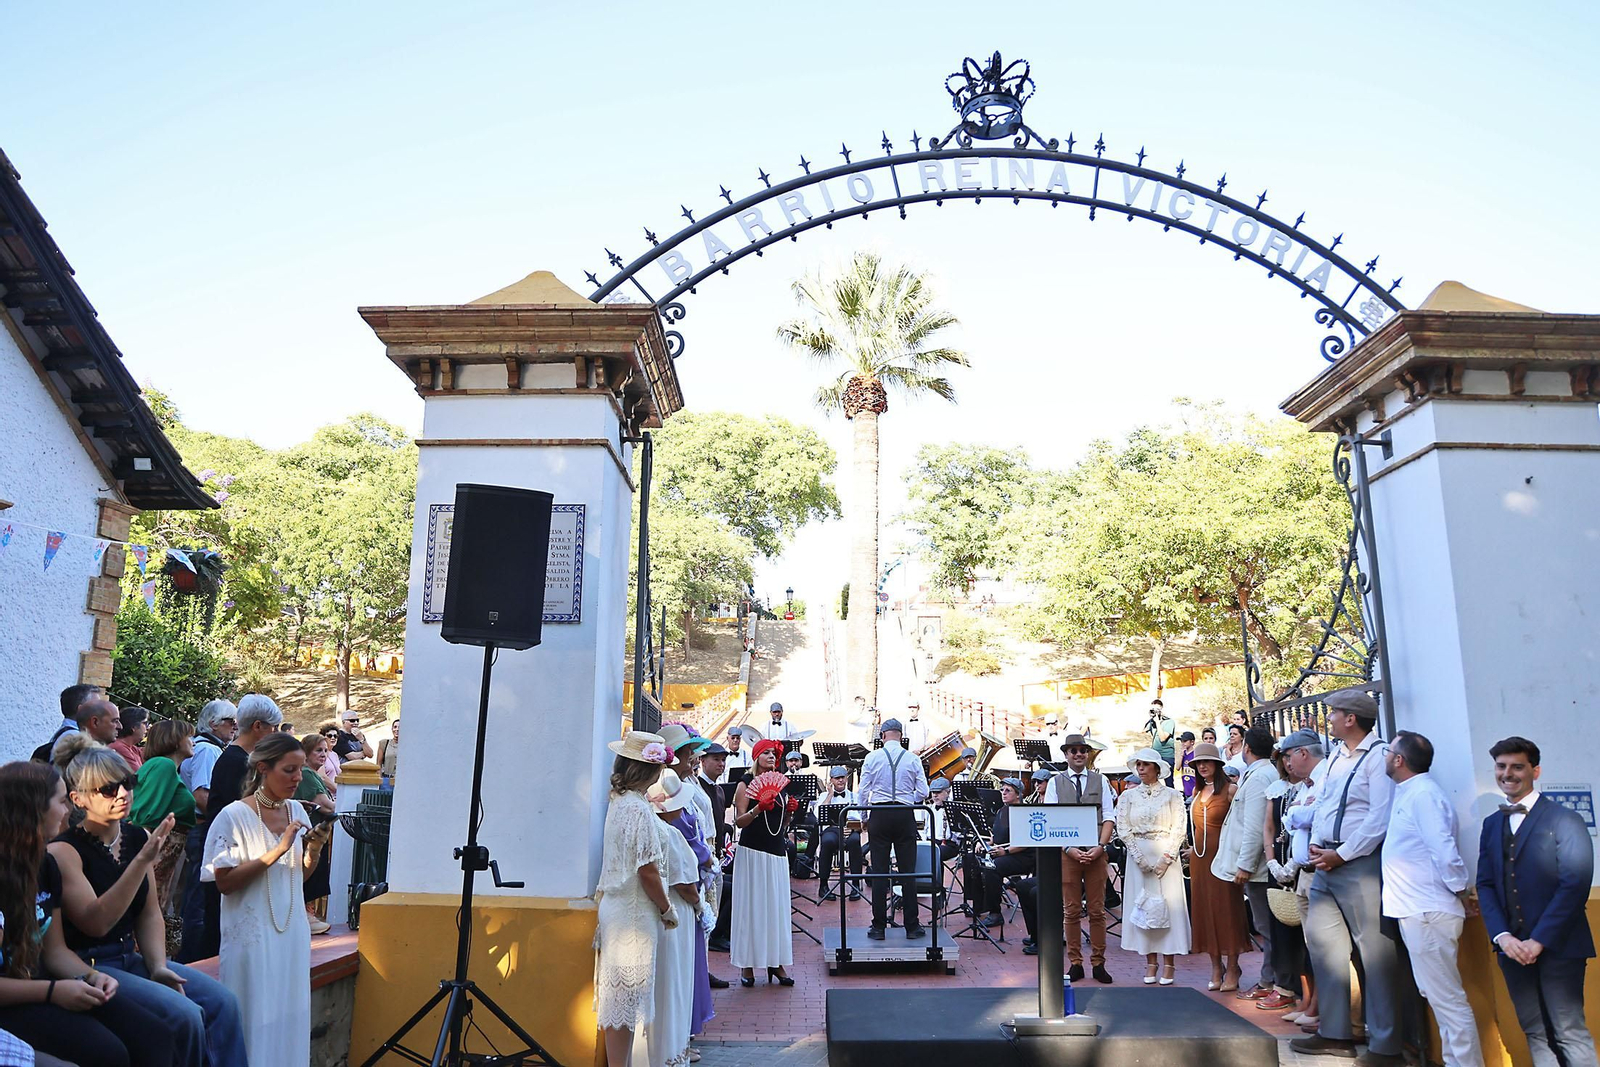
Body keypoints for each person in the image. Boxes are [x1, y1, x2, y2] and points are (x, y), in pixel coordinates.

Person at [49, 735, 247, 1067]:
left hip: (132, 957)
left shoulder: (136, 836)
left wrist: (157, 966)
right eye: (109, 790)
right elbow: (95, 922)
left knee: (224, 1002)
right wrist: (141, 862)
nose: (123, 794)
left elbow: (149, 912)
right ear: (78, 799)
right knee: (185, 1016)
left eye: (127, 783)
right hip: (91, 963)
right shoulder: (63, 851)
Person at [0, 759, 178, 1067]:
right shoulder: (44, 859)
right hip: (15, 1000)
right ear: (32, 809)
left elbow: (55, 952)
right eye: (60, 801)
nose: (68, 810)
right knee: (108, 1053)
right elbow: (97, 922)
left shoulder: (43, 865)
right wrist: (54, 991)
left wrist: (92, 976)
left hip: (48, 985)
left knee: (155, 1036)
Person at [1291, 688, 1400, 1063]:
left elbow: (1379, 816)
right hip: (1326, 862)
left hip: (1359, 864)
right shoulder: (1337, 756)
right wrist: (1318, 846)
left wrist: (1343, 853)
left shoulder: (1379, 756)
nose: (1330, 718)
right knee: (1325, 949)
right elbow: (1324, 804)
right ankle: (1335, 1032)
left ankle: (1387, 1045)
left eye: (1335, 712)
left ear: (1351, 718)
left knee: (1376, 954)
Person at [1476, 735, 1595, 1067]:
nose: (1507, 773)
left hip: (1560, 946)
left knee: (1569, 1031)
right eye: (1501, 766)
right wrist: (1503, 936)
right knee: (1535, 1031)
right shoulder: (1492, 824)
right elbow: (1485, 884)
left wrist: (1538, 941)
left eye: (1517, 766)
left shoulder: (1565, 819)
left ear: (1535, 771)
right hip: (1511, 948)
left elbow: (1575, 885)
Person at [202, 731, 315, 1067]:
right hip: (251, 934)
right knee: (253, 1017)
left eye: (301, 770)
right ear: (264, 769)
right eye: (290, 770)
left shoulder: (296, 810)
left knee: (289, 1015)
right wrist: (276, 850)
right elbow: (224, 883)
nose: (298, 778)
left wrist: (316, 849)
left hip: (291, 929)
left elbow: (297, 875)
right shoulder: (233, 816)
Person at [1381, 731, 1482, 1067]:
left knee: (1448, 1001)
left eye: (1389, 751)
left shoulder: (1423, 795)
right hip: (1419, 911)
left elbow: (1444, 850)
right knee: (1440, 998)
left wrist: (1461, 891)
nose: (1385, 756)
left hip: (1427, 912)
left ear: (1399, 760)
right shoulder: (1411, 793)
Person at [182, 693, 282, 963]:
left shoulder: (238, 759)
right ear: (258, 726)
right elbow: (233, 810)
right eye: (272, 728)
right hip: (226, 853)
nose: (274, 734)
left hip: (230, 851)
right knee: (211, 920)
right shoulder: (235, 761)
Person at [594, 731, 673, 1067]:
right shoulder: (636, 808)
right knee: (623, 1001)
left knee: (619, 1002)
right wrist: (666, 908)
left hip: (618, 907)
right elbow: (648, 871)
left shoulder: (621, 802)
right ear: (650, 771)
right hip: (634, 913)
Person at [1042, 733, 1116, 983]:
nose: (1078, 754)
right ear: (1066, 755)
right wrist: (1068, 848)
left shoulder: (1101, 780)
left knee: (1097, 910)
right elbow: (1051, 819)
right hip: (1068, 854)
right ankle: (1075, 962)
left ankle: (1098, 962)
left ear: (1087, 753)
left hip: (1096, 850)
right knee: (1071, 911)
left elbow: (1109, 816)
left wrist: (1100, 846)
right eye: (1073, 750)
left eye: (1082, 750)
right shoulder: (1055, 783)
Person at [1117, 748, 1190, 985]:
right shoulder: (1127, 797)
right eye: (1138, 764)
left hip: (1165, 855)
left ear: (1157, 768)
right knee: (1143, 907)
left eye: (1146, 764)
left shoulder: (1172, 795)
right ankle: (1150, 961)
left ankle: (1169, 963)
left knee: (1167, 906)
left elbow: (1180, 826)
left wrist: (1166, 857)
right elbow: (1123, 827)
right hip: (1139, 856)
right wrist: (1138, 856)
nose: (1141, 768)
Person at [1215, 725, 1278, 1001]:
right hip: (1258, 866)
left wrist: (1245, 865)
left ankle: (1269, 981)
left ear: (1247, 749)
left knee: (1266, 928)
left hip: (1259, 869)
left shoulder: (1259, 777)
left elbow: (1254, 827)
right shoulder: (1260, 774)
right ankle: (1272, 980)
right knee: (1266, 926)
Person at [644, 771, 699, 1067]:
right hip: (673, 911)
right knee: (672, 982)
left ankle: (656, 1052)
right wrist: (700, 904)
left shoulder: (649, 828)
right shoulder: (669, 834)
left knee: (660, 984)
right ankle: (667, 1053)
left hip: (653, 912)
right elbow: (684, 883)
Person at [729, 738, 795, 983]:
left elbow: (781, 826)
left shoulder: (780, 785)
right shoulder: (745, 784)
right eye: (766, 752)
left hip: (777, 852)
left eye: (773, 753)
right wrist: (758, 809)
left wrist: (789, 813)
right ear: (756, 756)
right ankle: (747, 964)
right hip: (753, 852)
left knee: (775, 909)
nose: (771, 756)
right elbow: (739, 821)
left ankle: (776, 963)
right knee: (751, 906)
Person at [174, 698, 235, 966]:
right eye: (229, 721)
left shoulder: (203, 748)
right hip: (202, 829)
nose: (234, 726)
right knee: (200, 901)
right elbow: (202, 795)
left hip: (197, 829)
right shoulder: (208, 751)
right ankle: (197, 961)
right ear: (213, 724)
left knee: (195, 899)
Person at [858, 719, 929, 941]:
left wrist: (863, 817)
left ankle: (878, 927)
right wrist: (908, 799)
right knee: (908, 870)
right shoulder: (913, 758)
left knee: (879, 870)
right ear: (901, 736)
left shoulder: (872, 757)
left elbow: (862, 791)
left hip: (879, 814)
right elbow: (924, 791)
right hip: (904, 814)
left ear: (883, 736)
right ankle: (912, 926)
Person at [1186, 742, 1250, 991]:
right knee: (1204, 912)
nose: (1202, 766)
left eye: (1207, 761)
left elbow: (1243, 826)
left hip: (1224, 858)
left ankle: (1233, 966)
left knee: (1228, 910)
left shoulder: (1232, 789)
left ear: (1217, 764)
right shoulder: (1196, 793)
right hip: (1200, 859)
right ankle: (1215, 966)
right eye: (1198, 763)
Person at [1278, 728, 1328, 1033]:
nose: (1286, 763)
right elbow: (1296, 817)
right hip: (1303, 873)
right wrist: (1297, 813)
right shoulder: (1303, 786)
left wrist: (1297, 814)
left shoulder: (1324, 779)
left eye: (1287, 756)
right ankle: (1314, 1004)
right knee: (1313, 947)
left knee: (1325, 949)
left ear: (1303, 753)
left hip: (1320, 871)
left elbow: (1308, 817)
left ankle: (1328, 1010)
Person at [128, 720, 198, 925]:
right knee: (149, 909)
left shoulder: (164, 766)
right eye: (189, 737)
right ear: (175, 741)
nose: (193, 742)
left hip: (164, 850)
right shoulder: (163, 765)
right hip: (159, 849)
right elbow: (145, 813)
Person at [978, 779, 1037, 947]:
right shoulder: (1002, 811)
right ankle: (978, 906)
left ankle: (995, 913)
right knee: (974, 861)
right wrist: (986, 842)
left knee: (993, 868)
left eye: (1008, 790)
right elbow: (997, 838)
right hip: (1006, 852)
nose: (1003, 793)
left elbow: (1027, 841)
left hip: (1024, 856)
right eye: (1002, 790)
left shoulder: (1025, 812)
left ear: (1018, 794)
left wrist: (1005, 851)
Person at [296, 735, 337, 935]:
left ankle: (309, 914)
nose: (323, 754)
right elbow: (328, 807)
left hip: (316, 833)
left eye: (325, 750)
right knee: (310, 873)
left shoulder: (314, 775)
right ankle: (307, 915)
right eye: (318, 750)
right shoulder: (307, 775)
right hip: (311, 833)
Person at [813, 767, 862, 902]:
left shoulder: (854, 796)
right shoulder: (824, 796)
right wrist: (829, 795)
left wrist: (851, 828)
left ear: (847, 778)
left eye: (843, 777)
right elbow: (817, 816)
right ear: (831, 780)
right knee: (827, 842)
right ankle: (823, 885)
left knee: (854, 841)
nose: (840, 780)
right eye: (837, 778)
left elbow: (860, 817)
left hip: (849, 829)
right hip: (832, 829)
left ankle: (855, 885)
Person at [31, 685, 109, 764]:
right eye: (96, 706)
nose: (101, 710)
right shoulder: (74, 738)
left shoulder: (64, 733)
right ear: (81, 709)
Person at [108, 707, 148, 772]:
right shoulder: (119, 748)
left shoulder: (133, 748)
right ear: (134, 727)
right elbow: (139, 777)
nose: (147, 727)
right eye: (145, 723)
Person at [1146, 699, 1176, 782]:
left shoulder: (1169, 722)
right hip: (1155, 755)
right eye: (1153, 709)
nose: (1154, 711)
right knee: (1152, 780)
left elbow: (1162, 738)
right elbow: (1142, 731)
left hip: (1166, 755)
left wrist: (1158, 722)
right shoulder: (1153, 722)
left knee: (1168, 782)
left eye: (1157, 709)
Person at [376, 718, 400, 784]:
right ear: (392, 729)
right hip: (386, 780)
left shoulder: (407, 746)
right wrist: (379, 780)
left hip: (401, 781)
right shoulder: (384, 743)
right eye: (395, 727)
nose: (397, 729)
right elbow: (378, 764)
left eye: (400, 727)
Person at [1178, 731, 1198, 799]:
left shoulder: (1195, 754)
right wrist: (1181, 755)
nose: (1183, 743)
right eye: (1182, 741)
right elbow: (1177, 767)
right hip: (1186, 789)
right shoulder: (1183, 754)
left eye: (1185, 741)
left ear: (1192, 742)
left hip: (1195, 788)